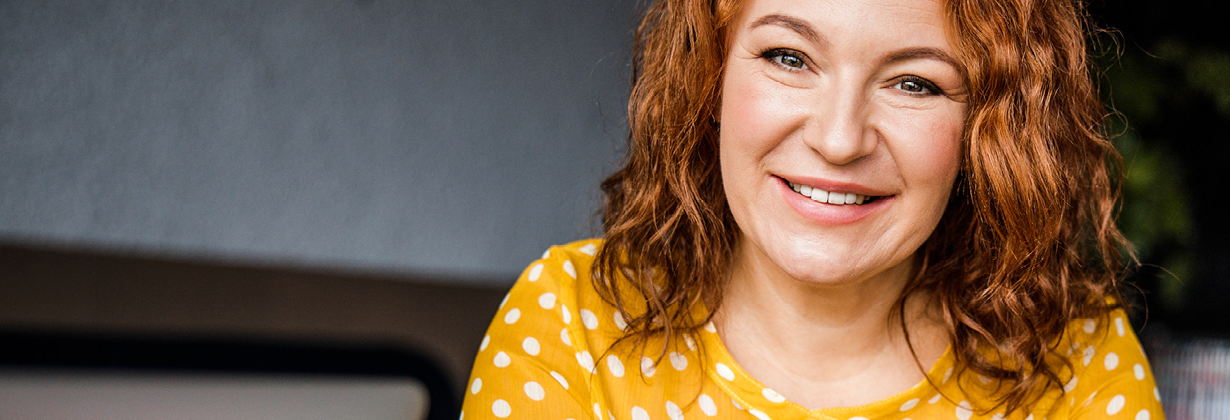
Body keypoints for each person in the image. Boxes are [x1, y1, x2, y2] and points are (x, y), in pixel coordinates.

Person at [462, 0, 1160, 417]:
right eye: (789, 58)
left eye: (914, 83)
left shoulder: (1077, 364)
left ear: (989, 128)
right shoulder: (573, 323)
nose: (837, 139)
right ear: (709, 76)